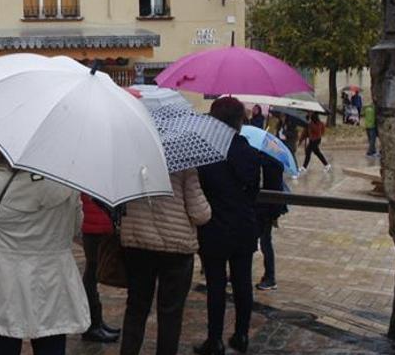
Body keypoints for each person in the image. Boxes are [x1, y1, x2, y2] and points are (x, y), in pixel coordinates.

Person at [0, 150, 90, 355]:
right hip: (52, 284)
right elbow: (74, 228)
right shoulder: (66, 185)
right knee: (51, 343)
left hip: (2, 285)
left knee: (1, 343)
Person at [194, 97, 261, 355]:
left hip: (215, 229)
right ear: (239, 122)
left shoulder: (206, 153)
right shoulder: (250, 152)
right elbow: (253, 191)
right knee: (243, 282)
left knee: (216, 285)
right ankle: (242, 335)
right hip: (244, 227)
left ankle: (215, 340)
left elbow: (202, 190)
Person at [119, 168, 211, 355]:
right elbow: (200, 214)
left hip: (137, 242)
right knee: (170, 313)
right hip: (175, 247)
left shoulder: (131, 160)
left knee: (136, 308)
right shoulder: (185, 165)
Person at [80, 195, 120, 343]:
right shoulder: (94, 174)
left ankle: (97, 323)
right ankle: (93, 325)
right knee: (91, 275)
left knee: (92, 274)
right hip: (95, 227)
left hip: (96, 224)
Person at [255, 154, 287, 291]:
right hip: (261, 209)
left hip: (264, 210)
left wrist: (274, 214)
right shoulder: (267, 160)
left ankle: (270, 277)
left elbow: (274, 188)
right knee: (256, 241)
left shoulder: (268, 163)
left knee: (265, 242)